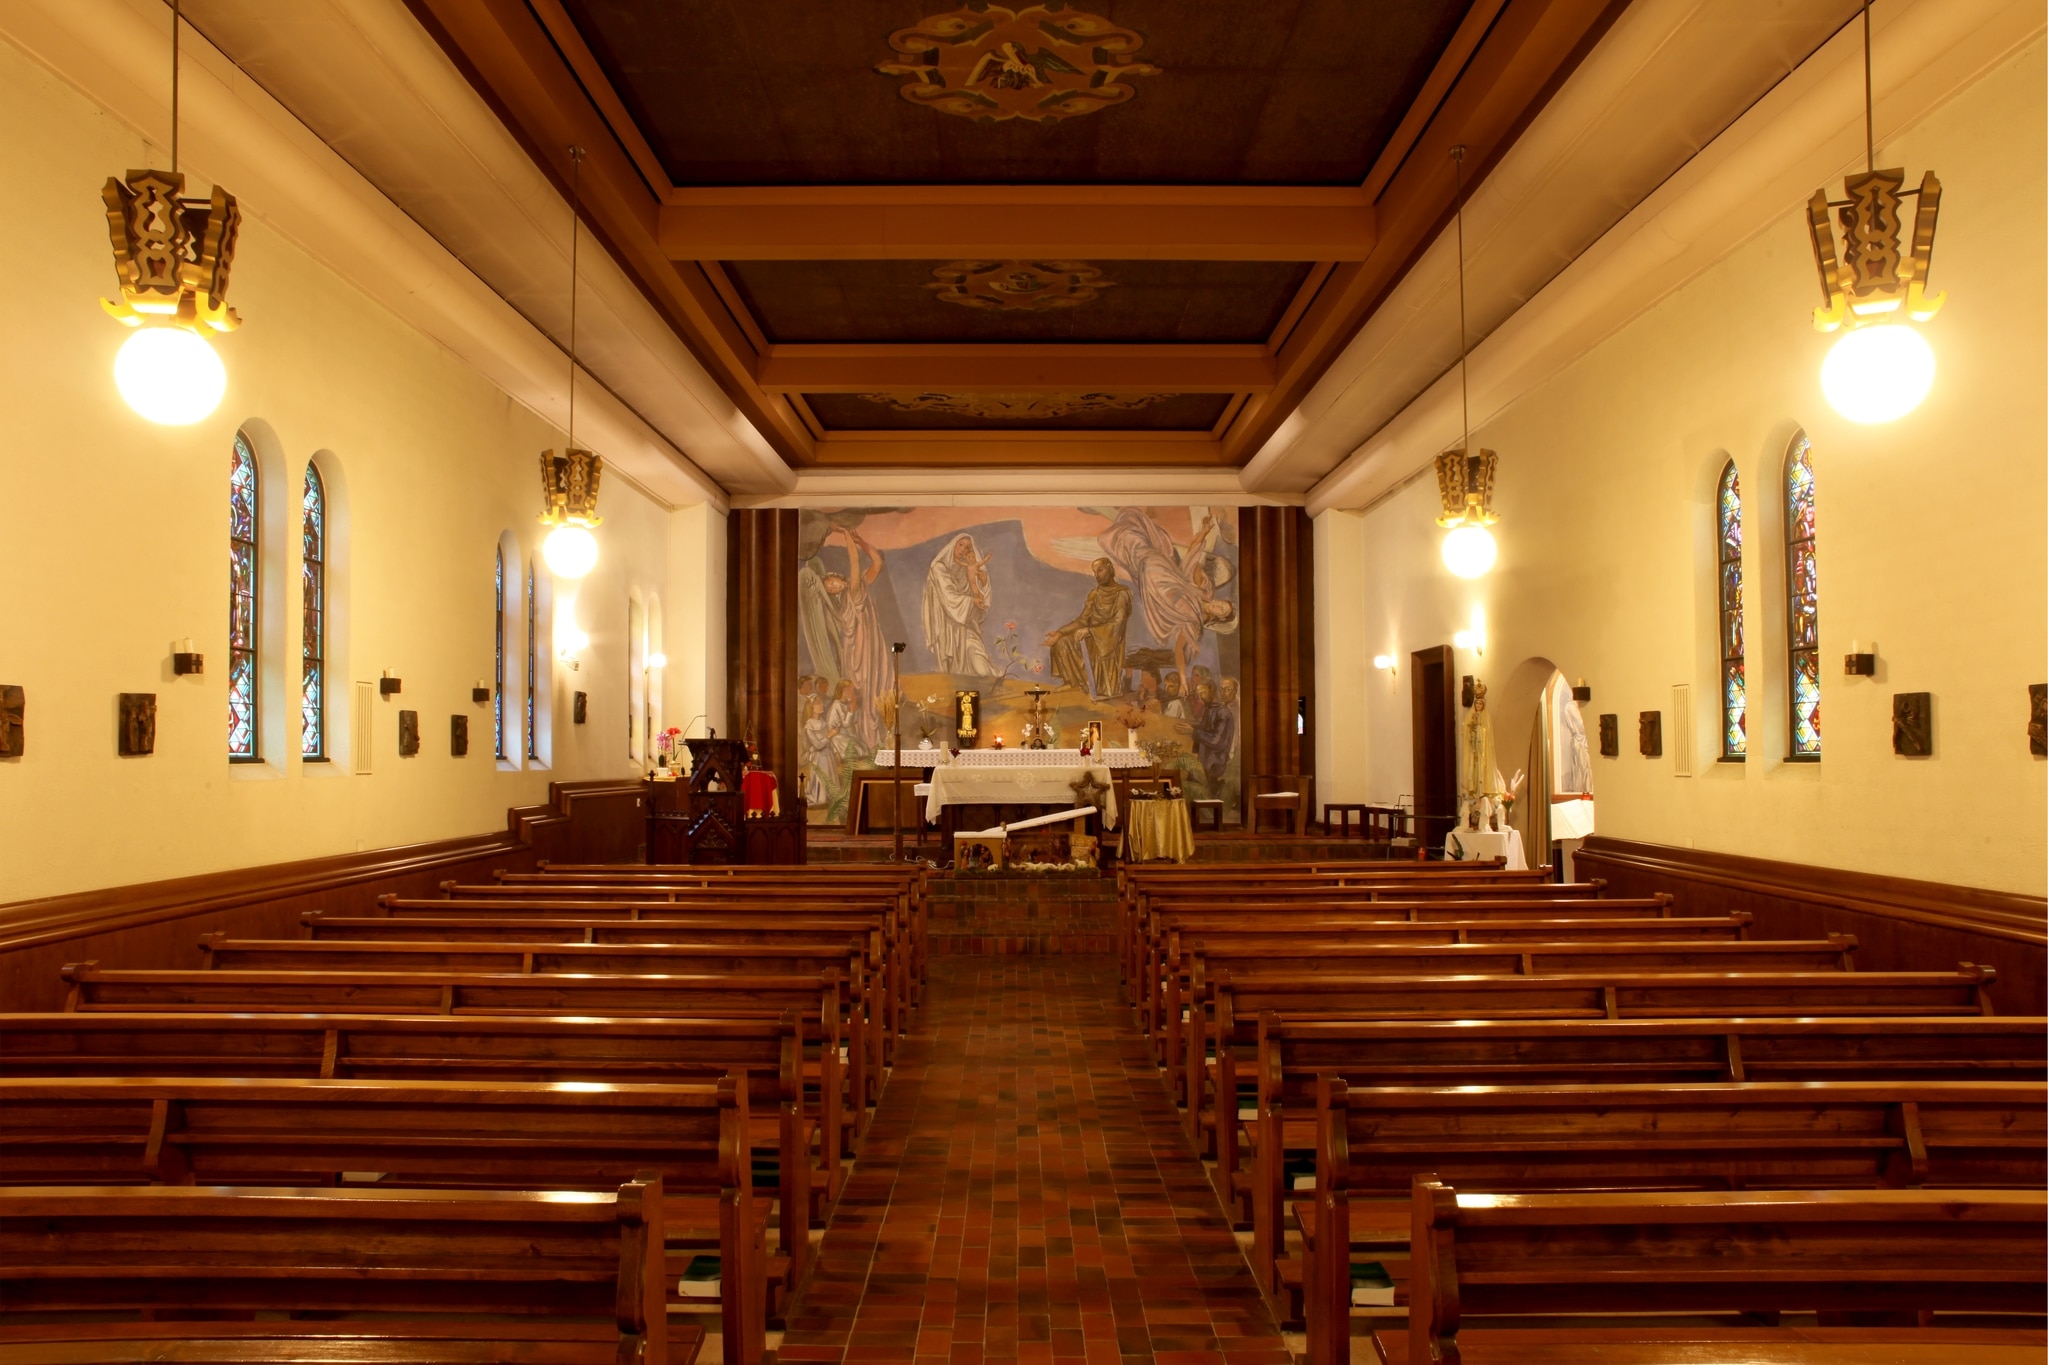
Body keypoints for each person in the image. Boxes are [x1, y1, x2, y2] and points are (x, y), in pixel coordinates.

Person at [1099, 506, 1237, 697]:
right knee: (1140, 543)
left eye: (1221, 610)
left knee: (1137, 550)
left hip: (1155, 592)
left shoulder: (1194, 624)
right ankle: (1117, 519)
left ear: (1217, 618)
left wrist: (1183, 681)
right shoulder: (1205, 590)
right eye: (1222, 603)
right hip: (1163, 572)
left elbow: (1179, 650)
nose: (1218, 605)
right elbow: (1193, 555)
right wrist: (1204, 532)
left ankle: (1118, 526)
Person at [833, 528, 891, 749]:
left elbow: (877, 562)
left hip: (868, 644)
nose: (833, 587)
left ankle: (871, 740)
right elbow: (855, 562)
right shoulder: (852, 594)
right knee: (863, 692)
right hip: (858, 649)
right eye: (830, 588)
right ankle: (867, 741)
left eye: (833, 582)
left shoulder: (858, 586)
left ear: (841, 579)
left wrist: (860, 541)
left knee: (873, 688)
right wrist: (847, 536)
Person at [1044, 557, 1132, 698]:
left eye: (1100, 570)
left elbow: (1118, 623)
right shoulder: (1094, 594)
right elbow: (1082, 620)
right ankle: (1072, 682)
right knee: (1061, 642)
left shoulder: (1121, 593)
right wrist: (1060, 632)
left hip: (1108, 641)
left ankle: (1091, 685)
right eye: (1094, 572)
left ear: (1110, 568)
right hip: (1092, 638)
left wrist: (1091, 631)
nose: (1097, 575)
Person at [922, 533, 997, 675]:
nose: (963, 549)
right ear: (953, 545)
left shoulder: (967, 569)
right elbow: (948, 595)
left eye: (968, 548)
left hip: (966, 626)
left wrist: (983, 583)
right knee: (954, 675)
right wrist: (971, 601)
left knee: (981, 666)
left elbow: (979, 602)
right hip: (947, 628)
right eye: (961, 544)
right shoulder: (939, 568)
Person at [1192, 680, 1235, 789]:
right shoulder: (1210, 709)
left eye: (1203, 692)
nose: (1200, 697)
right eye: (1199, 694)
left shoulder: (1223, 712)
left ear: (1212, 690)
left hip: (1215, 766)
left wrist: (1193, 732)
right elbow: (1203, 728)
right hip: (1204, 764)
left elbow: (1217, 741)